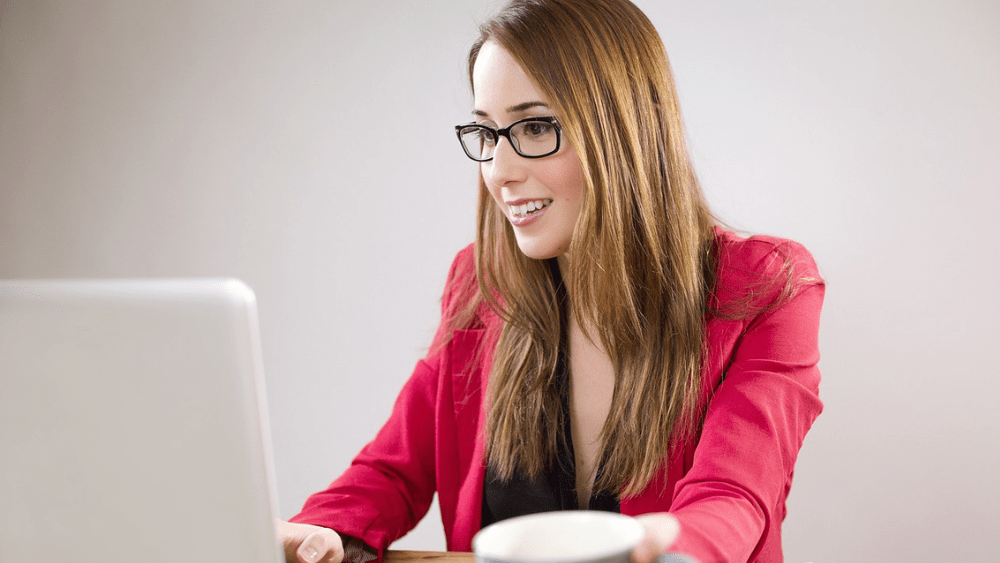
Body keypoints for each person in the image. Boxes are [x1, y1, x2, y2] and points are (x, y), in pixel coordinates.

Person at [277, 0, 824, 562]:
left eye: (535, 127)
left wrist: (673, 550)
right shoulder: (479, 284)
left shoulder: (766, 288)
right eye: (488, 134)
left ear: (625, 129)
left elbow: (733, 495)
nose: (500, 170)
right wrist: (320, 534)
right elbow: (389, 472)